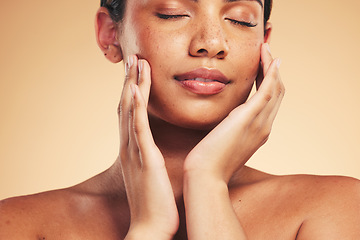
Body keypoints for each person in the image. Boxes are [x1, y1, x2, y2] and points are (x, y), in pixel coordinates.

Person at [0, 0, 359, 239]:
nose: (212, 42)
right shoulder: (20, 225)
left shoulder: (336, 209)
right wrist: (148, 228)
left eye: (240, 20)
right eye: (173, 13)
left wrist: (207, 182)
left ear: (263, 41)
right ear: (110, 33)